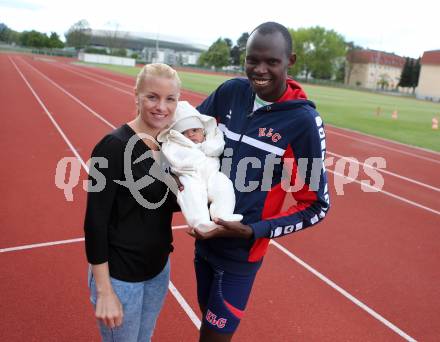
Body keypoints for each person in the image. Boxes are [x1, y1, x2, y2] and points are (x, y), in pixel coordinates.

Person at [190, 22, 331, 342]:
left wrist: (253, 230)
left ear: (290, 61)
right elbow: (189, 138)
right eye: (253, 60)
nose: (260, 69)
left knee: (213, 337)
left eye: (272, 61)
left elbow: (317, 206)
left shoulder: (302, 122)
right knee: (206, 322)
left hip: (241, 253)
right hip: (204, 240)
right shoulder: (230, 93)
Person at [84, 63, 181, 342]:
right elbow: (95, 222)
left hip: (157, 270)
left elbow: (157, 200)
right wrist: (104, 291)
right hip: (120, 276)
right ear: (136, 96)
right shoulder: (111, 147)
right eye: (152, 96)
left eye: (170, 99)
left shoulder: (167, 144)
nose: (161, 106)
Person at [157, 101, 242, 232]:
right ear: (178, 136)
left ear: (203, 130)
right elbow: (177, 160)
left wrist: (204, 147)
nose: (191, 134)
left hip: (212, 175)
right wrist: (197, 152)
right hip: (191, 177)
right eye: (184, 133)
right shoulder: (173, 144)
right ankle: (199, 222)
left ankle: (223, 215)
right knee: (192, 194)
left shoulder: (210, 139)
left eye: (195, 130)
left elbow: (217, 146)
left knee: (224, 186)